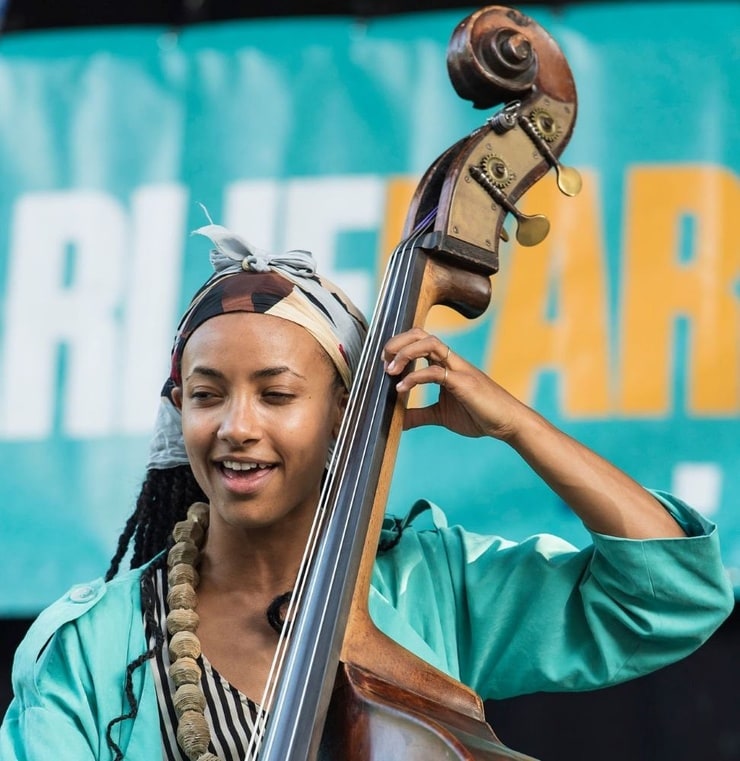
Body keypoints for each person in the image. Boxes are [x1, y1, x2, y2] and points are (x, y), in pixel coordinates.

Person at [0, 221, 733, 761]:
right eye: (206, 394)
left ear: (345, 420)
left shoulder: (433, 587)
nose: (235, 426)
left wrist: (516, 425)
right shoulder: (90, 646)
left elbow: (672, 597)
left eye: (277, 394)